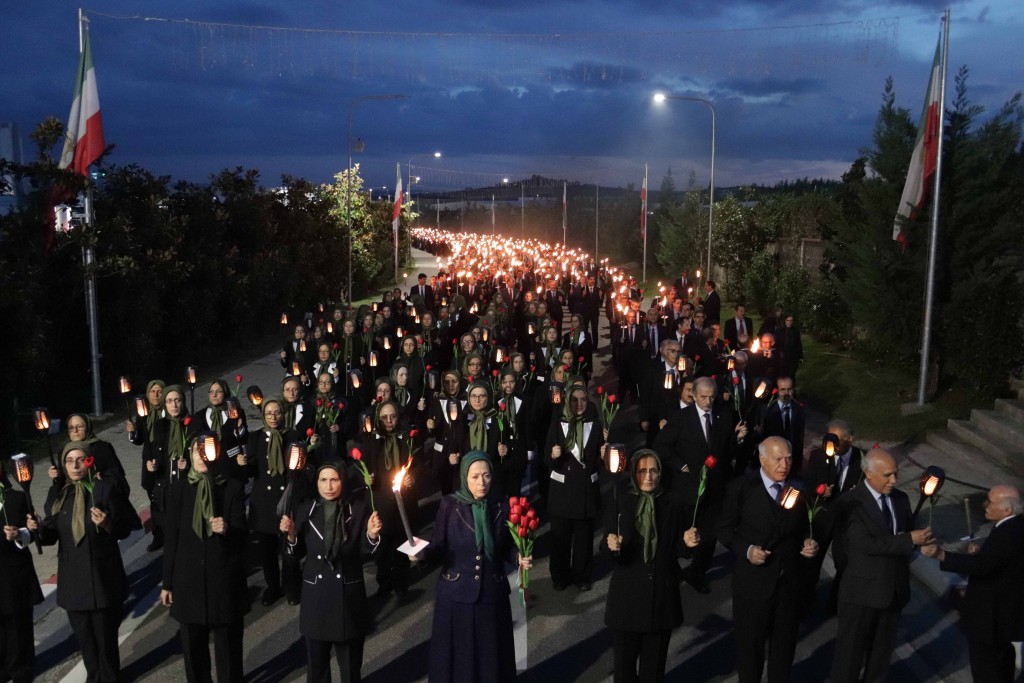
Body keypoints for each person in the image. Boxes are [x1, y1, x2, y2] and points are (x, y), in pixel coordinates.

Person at [422, 451, 531, 683]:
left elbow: (506, 547)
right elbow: (438, 546)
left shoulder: (500, 504)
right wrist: (420, 553)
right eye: (474, 477)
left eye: (486, 476)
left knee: (490, 657)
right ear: (464, 477)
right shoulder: (450, 506)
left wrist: (518, 557)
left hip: (492, 595)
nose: (481, 483)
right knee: (460, 657)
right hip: (457, 595)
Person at [717, 437, 819, 683]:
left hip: (788, 584)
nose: (784, 464)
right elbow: (724, 530)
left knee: (783, 652)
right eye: (778, 459)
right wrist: (748, 550)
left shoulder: (799, 488)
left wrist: (809, 541)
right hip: (753, 586)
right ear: (762, 459)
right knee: (750, 650)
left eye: (788, 458)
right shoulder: (742, 488)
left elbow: (807, 525)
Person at [830, 449, 933, 683]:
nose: (894, 481)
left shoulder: (900, 499)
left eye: (895, 474)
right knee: (849, 659)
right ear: (868, 473)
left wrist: (920, 543)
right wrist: (909, 540)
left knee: (880, 658)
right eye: (887, 475)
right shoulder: (850, 502)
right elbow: (864, 544)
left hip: (893, 592)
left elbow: (902, 536)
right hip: (860, 594)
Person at [37, 443, 135, 683]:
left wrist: (107, 524)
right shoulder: (61, 495)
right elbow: (51, 534)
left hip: (103, 579)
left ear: (89, 461)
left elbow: (124, 529)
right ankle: (93, 678)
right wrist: (36, 529)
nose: (75, 465)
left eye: (80, 459)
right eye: (69, 461)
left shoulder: (103, 489)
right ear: (63, 466)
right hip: (74, 584)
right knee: (87, 644)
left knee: (105, 641)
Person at [281, 462, 383, 683]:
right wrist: (291, 537)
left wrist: (372, 536)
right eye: (323, 480)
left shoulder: (357, 508)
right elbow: (295, 553)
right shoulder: (306, 509)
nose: (329, 486)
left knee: (350, 670)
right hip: (317, 600)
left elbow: (365, 552)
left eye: (334, 479)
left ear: (343, 481)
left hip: (348, 599)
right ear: (316, 482)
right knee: (317, 670)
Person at [604, 449, 700, 683]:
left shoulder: (673, 502)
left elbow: (679, 548)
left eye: (653, 471)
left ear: (660, 473)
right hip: (627, 600)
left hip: (661, 599)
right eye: (642, 471)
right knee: (624, 670)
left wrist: (688, 544)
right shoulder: (621, 500)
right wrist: (611, 545)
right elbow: (606, 545)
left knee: (653, 671)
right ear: (634, 473)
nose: (648, 477)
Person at [160, 437, 249, 683]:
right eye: (196, 452)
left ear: (216, 455)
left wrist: (227, 528)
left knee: (228, 649)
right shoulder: (178, 489)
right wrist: (167, 582)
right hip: (188, 581)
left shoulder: (231, 487)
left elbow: (243, 535)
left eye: (207, 452)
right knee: (193, 648)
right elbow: (172, 538)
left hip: (223, 581)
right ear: (190, 456)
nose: (201, 457)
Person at [920, 485, 1024, 683]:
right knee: (1001, 663)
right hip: (1001, 620)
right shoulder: (1014, 526)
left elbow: (984, 566)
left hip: (990, 620)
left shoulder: (1008, 534)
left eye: (990, 502)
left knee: (988, 670)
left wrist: (941, 554)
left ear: (1007, 510)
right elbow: (997, 562)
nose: (985, 504)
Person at [652, 376, 747, 593]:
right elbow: (661, 445)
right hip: (687, 487)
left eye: (711, 397)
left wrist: (738, 439)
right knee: (681, 532)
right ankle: (671, 569)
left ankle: (697, 572)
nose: (708, 401)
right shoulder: (680, 418)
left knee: (710, 534)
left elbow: (726, 450)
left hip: (715, 488)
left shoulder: (723, 417)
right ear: (693, 395)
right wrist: (681, 465)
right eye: (703, 396)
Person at [245, 398, 304, 606]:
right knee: (267, 551)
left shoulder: (293, 435)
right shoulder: (255, 437)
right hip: (263, 502)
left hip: (286, 499)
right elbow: (252, 469)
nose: (273, 417)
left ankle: (292, 587)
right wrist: (244, 464)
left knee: (289, 548)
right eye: (268, 413)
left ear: (283, 414)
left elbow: (300, 467)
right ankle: (273, 587)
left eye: (277, 412)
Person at [545, 385, 604, 591]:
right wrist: (553, 456)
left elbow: (601, 459)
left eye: (583, 400)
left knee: (584, 537)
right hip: (562, 490)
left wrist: (604, 455)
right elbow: (545, 459)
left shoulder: (595, 426)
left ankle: (581, 575)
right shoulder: (557, 425)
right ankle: (559, 576)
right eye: (574, 400)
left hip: (586, 490)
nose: (579, 404)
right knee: (560, 537)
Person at [0, 460, 43, 683]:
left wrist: (19, 535)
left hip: (14, 575)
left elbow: (33, 532)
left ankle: (21, 670)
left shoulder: (15, 498)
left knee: (18, 626)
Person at [142, 384, 192, 552]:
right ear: (165, 404)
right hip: (165, 485)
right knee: (169, 535)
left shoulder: (191, 424)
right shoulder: (159, 426)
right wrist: (152, 465)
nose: (174, 405)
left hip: (186, 484)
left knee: (186, 533)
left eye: (177, 400)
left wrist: (189, 463)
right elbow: (151, 450)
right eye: (170, 401)